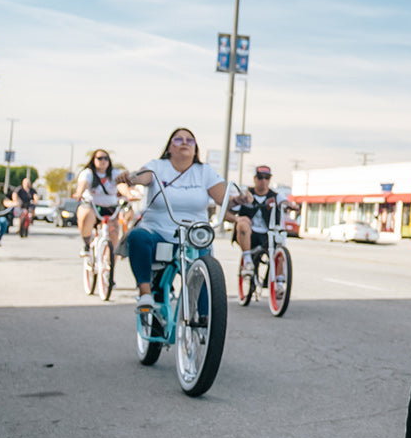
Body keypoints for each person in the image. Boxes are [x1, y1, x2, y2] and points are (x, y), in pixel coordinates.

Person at [115, 128, 227, 313]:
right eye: (178, 139)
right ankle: (145, 294)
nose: (184, 142)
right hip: (157, 233)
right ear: (169, 148)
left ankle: (206, 322)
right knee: (137, 236)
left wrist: (241, 199)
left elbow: (223, 198)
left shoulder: (205, 171)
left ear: (195, 148)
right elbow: (143, 177)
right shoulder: (157, 166)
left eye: (189, 140)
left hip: (193, 237)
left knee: (207, 273)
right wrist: (131, 178)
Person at [228, 165, 297, 277]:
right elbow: (228, 212)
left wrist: (290, 206)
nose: (263, 181)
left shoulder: (275, 196)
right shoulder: (246, 195)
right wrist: (237, 217)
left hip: (268, 234)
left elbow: (285, 202)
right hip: (250, 235)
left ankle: (279, 282)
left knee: (280, 247)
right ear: (255, 178)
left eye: (267, 178)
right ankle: (247, 261)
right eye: (260, 177)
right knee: (243, 223)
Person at [73, 150, 123, 256]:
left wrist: (130, 195)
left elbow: (122, 185)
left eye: (106, 158)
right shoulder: (88, 173)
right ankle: (87, 244)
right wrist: (78, 193)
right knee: (86, 213)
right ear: (93, 160)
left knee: (114, 233)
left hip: (110, 207)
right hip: (92, 206)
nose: (103, 161)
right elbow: (84, 184)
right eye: (100, 158)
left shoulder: (115, 173)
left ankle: (110, 263)